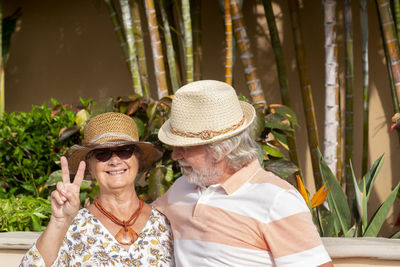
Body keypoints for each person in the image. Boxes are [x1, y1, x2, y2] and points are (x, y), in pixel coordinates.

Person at [154, 80, 333, 267]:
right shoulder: (182, 187)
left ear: (220, 150)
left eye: (185, 148)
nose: (175, 155)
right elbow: (140, 221)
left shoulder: (276, 200)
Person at [20, 112, 174, 266]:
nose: (115, 160)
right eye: (102, 153)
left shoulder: (167, 223)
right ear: (90, 168)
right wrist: (59, 222)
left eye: (124, 150)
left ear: (138, 159)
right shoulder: (72, 226)